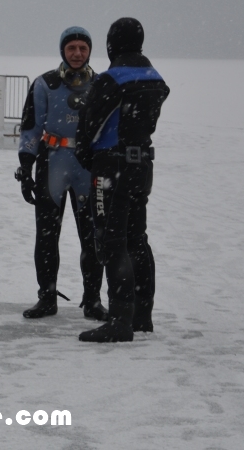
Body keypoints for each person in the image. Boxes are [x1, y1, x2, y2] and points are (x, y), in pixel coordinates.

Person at [75, 18, 170, 342]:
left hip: (110, 167)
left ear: (111, 43)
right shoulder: (154, 78)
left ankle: (119, 319)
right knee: (137, 240)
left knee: (111, 241)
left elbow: (89, 125)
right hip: (142, 163)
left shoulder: (111, 79)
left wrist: (88, 157)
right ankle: (142, 315)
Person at [16, 27, 107, 321]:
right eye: (72, 48)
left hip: (88, 166)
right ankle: (47, 298)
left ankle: (92, 300)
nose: (78, 53)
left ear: (90, 51)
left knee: (92, 237)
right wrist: (25, 165)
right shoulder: (45, 84)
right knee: (46, 236)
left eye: (83, 48)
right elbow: (30, 127)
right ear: (62, 52)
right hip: (52, 164)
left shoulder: (101, 85)